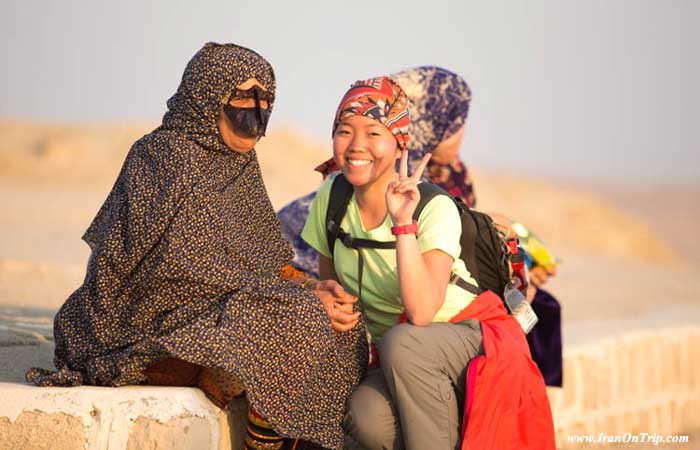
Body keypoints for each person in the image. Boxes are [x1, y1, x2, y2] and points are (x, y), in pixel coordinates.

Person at [26, 42, 366, 450]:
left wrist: (310, 287)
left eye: (265, 98)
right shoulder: (167, 155)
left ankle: (270, 417)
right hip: (137, 325)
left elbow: (259, 257)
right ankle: (261, 442)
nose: (255, 110)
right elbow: (183, 271)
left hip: (207, 313)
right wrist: (298, 299)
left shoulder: (237, 163)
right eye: (242, 96)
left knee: (346, 325)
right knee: (296, 317)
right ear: (207, 95)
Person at [300, 76, 555, 450]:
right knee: (364, 414)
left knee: (406, 342)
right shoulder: (332, 199)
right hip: (403, 356)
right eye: (344, 130)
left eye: (374, 133)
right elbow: (335, 292)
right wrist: (322, 296)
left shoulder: (434, 207)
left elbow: (421, 313)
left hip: (471, 336)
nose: (356, 146)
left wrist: (403, 223)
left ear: (400, 142)